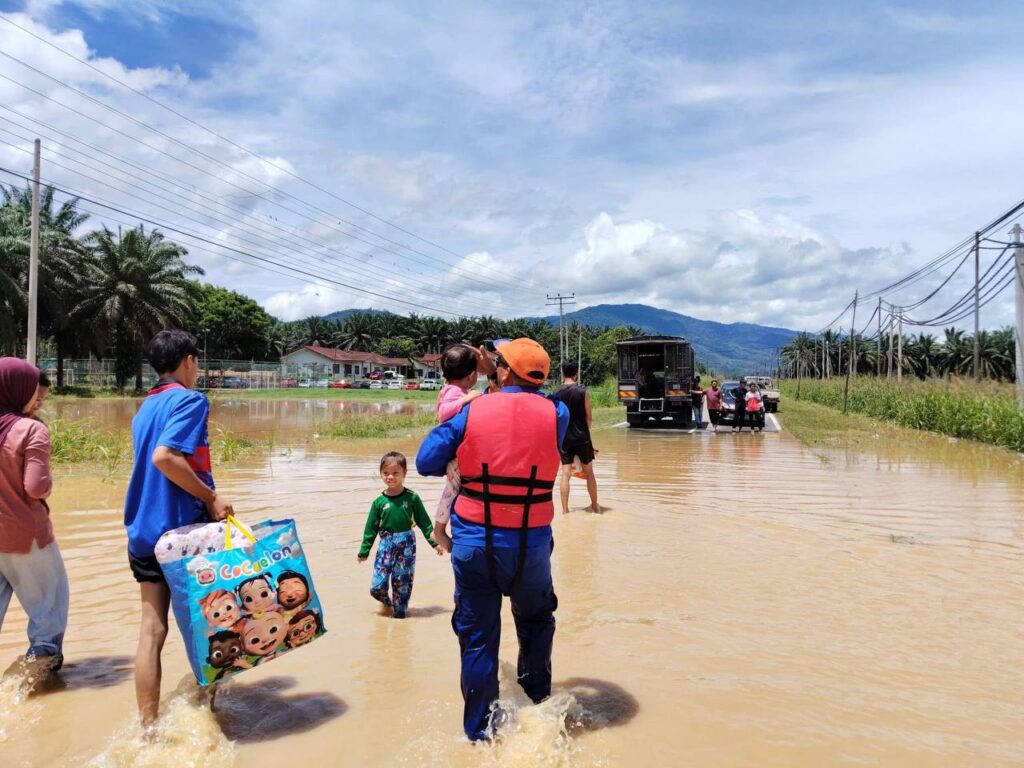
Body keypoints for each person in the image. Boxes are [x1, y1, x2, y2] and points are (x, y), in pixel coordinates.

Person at [416, 338, 569, 741]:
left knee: (479, 638)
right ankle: (538, 717)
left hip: (474, 544)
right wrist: (500, 377)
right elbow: (532, 413)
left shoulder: (473, 409)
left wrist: (486, 387)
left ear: (502, 370)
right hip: (531, 546)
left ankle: (480, 735)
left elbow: (426, 462)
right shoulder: (558, 411)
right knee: (536, 624)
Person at [123, 330, 233, 726]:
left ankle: (148, 728)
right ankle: (210, 717)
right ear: (188, 361)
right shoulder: (190, 400)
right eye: (197, 362)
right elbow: (165, 458)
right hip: (183, 537)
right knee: (212, 624)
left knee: (151, 630)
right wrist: (210, 498)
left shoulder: (145, 408)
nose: (198, 369)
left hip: (142, 532)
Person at [0, 358, 68, 675]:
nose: (37, 399)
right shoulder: (31, 429)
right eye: (34, 393)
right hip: (26, 538)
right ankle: (39, 681)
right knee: (50, 608)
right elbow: (36, 487)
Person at [357, 451, 441, 619]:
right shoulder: (379, 502)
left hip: (407, 543)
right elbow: (370, 528)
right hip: (386, 543)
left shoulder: (412, 498)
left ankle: (400, 615)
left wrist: (435, 543)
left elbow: (424, 523)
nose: (390, 477)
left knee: (402, 581)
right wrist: (364, 551)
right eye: (386, 473)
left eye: (396, 473)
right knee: (377, 586)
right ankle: (387, 603)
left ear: (404, 474)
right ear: (381, 474)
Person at [432, 345, 483, 553]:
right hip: (455, 455)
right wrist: (466, 399)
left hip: (457, 451)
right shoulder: (455, 392)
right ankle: (439, 530)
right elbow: (444, 413)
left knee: (455, 489)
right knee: (452, 489)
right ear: (471, 375)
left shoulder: (453, 389)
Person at [553, 361, 599, 514]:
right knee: (589, 472)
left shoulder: (556, 393)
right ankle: (594, 506)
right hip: (582, 437)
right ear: (576, 373)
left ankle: (565, 510)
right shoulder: (583, 392)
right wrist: (585, 433)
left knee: (565, 474)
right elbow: (589, 418)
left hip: (564, 438)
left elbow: (555, 417)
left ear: (563, 373)